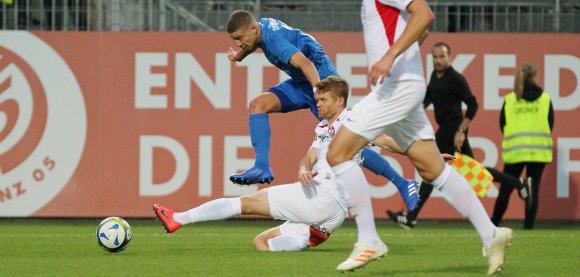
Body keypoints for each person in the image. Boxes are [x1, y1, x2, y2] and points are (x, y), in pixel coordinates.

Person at [325, 0, 512, 274]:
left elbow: (424, 14)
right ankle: (491, 234)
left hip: (396, 88)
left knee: (337, 154)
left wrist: (390, 56)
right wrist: (402, 55)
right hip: (402, 86)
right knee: (433, 169)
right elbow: (418, 30)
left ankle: (368, 240)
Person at [153, 77, 379, 253]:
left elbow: (382, 138)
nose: (317, 103)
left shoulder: (352, 120)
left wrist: (409, 147)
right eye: (317, 99)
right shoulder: (322, 128)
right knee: (261, 243)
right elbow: (309, 157)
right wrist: (303, 169)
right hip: (334, 213)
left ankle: (179, 219)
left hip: (324, 194)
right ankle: (306, 239)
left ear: (340, 101)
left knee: (247, 203)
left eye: (323, 99)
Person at [224, 10, 419, 211]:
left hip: (322, 83)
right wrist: (239, 54)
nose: (239, 43)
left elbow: (306, 64)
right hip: (302, 83)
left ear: (254, 29)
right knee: (258, 105)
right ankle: (261, 166)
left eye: (239, 39)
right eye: (235, 40)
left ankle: (404, 183)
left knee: (352, 145)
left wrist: (319, 92)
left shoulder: (274, 40)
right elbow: (253, 42)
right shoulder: (260, 30)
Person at [387, 42, 532, 229]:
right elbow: (428, 98)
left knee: (430, 169)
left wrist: (461, 131)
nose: (438, 60)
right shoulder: (435, 76)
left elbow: (473, 105)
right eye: (435, 57)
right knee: (474, 172)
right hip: (447, 129)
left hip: (452, 129)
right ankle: (519, 184)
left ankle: (411, 216)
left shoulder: (456, 79)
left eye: (442, 57)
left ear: (450, 58)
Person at [491, 63, 554, 230]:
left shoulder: (511, 99)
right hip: (538, 152)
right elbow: (550, 124)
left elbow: (502, 124)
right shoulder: (545, 99)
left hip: (515, 151)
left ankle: (493, 225)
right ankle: (528, 228)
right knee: (532, 191)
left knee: (505, 190)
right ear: (536, 76)